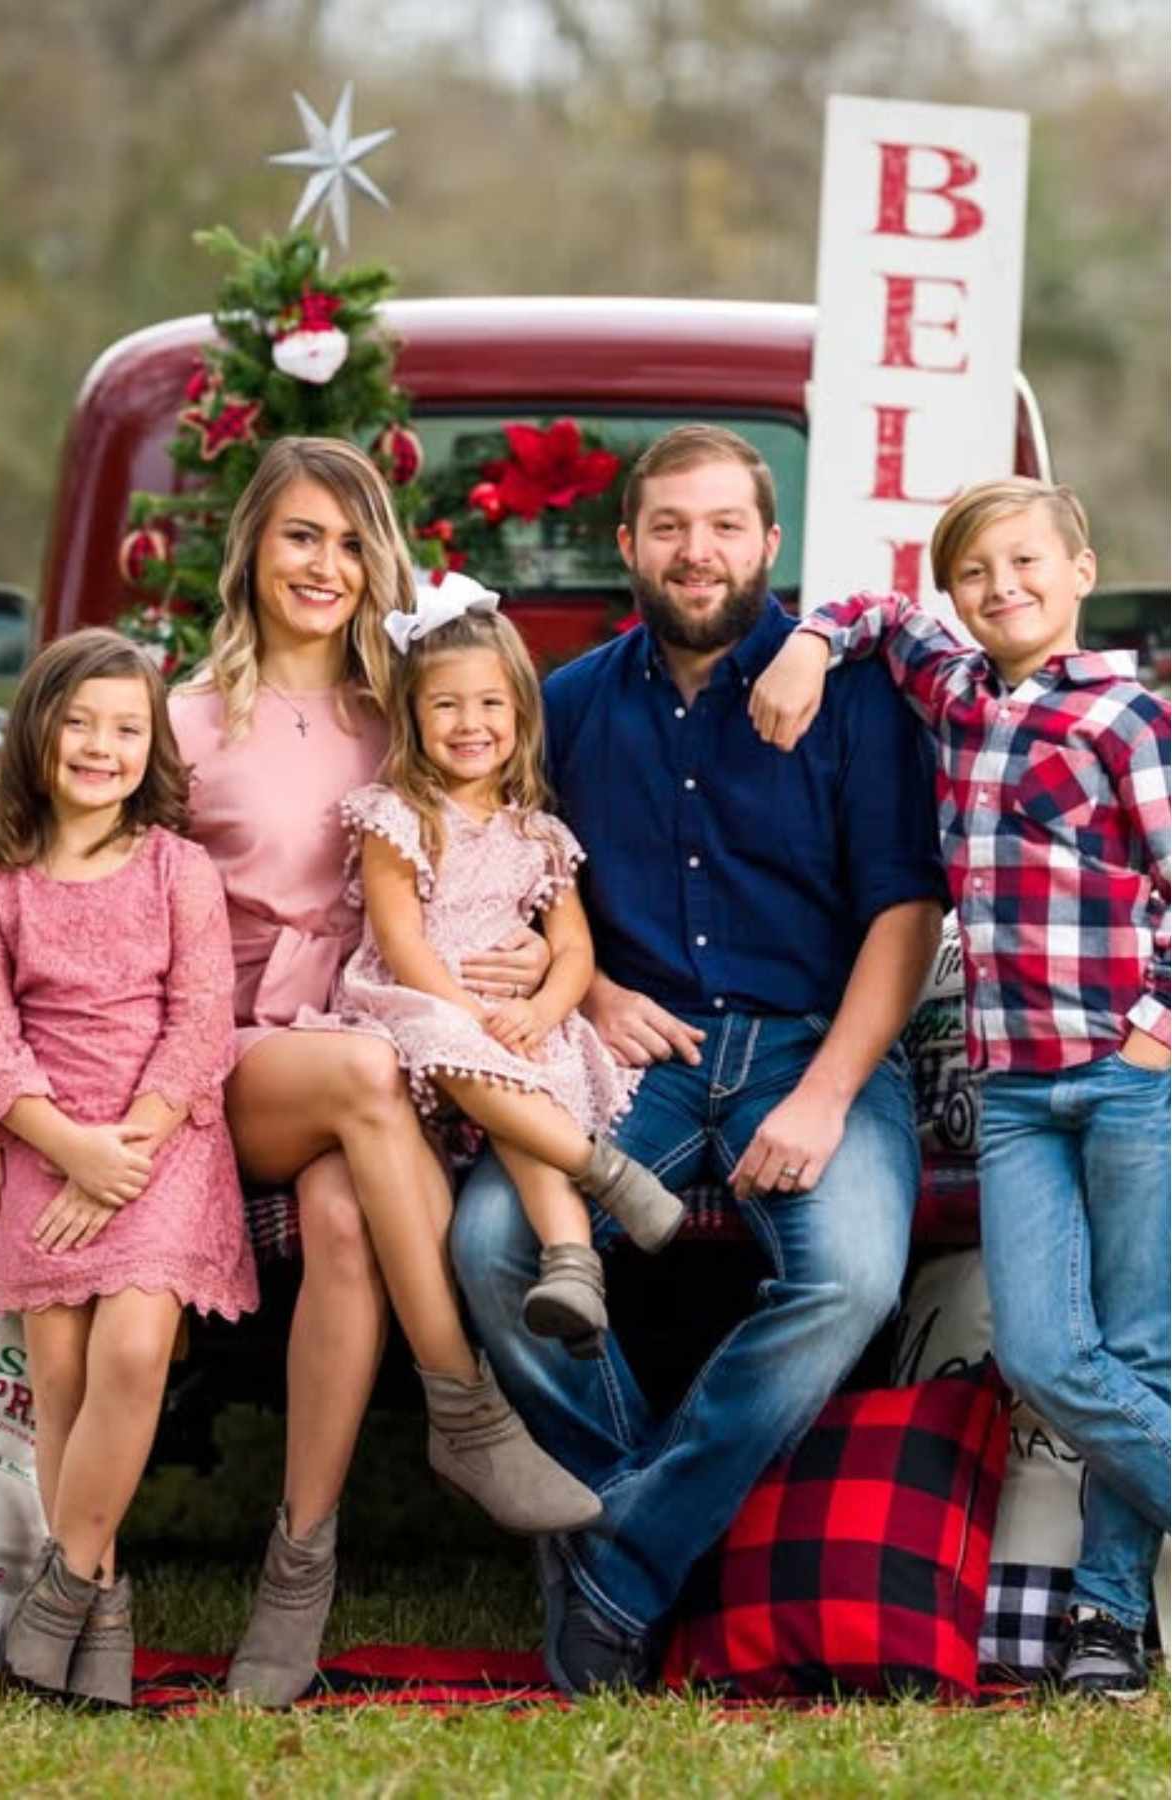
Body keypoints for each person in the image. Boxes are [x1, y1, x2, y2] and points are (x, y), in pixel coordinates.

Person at [450, 423, 948, 1693]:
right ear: (626, 543)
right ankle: (661, 1532)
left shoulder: (846, 693)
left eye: (726, 525)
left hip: (808, 1046)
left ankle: (616, 1562)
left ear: (770, 543)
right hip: (634, 1052)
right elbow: (517, 890)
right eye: (669, 525)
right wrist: (597, 988)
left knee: (847, 1280)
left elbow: (906, 909)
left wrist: (832, 1093)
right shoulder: (563, 706)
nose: (697, 551)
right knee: (494, 1244)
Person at [169, 437, 599, 1708]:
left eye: (354, 543)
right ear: (254, 542)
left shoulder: (403, 714)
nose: (327, 565)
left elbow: (504, 863)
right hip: (238, 1051)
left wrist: (576, 976)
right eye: (303, 535)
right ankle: (463, 1408)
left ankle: (296, 1572)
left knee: (352, 1217)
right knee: (359, 1066)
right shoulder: (183, 714)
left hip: (385, 1056)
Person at [749, 475, 1171, 1700]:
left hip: (1128, 1079)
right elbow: (880, 609)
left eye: (1030, 564)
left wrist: (1153, 1032)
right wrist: (817, 643)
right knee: (1046, 1356)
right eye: (978, 573)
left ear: (1082, 571)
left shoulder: (1128, 718)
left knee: (1140, 1353)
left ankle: (1103, 1620)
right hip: (1018, 1098)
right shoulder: (956, 696)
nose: (1005, 589)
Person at [0, 628, 257, 1706]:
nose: (102, 746)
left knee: (135, 1349)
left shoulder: (178, 869)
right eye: (81, 723)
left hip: (161, 1140)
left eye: (127, 728)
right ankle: (98, 1610)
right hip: (47, 1139)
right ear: (39, 733)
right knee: (60, 1374)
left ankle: (65, 1589)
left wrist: (125, 1149)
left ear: (153, 748)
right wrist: (67, 1148)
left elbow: (199, 1022)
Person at [299, 579, 686, 1357]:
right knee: (486, 1057)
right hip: (415, 1003)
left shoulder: (540, 833)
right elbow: (402, 939)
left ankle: (572, 1266)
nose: (469, 724)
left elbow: (575, 947)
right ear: (411, 716)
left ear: (519, 715)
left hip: (511, 1018)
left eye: (489, 705)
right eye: (445, 706)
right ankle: (604, 1171)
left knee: (531, 1082)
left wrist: (545, 1011)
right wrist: (465, 1016)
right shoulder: (397, 815)